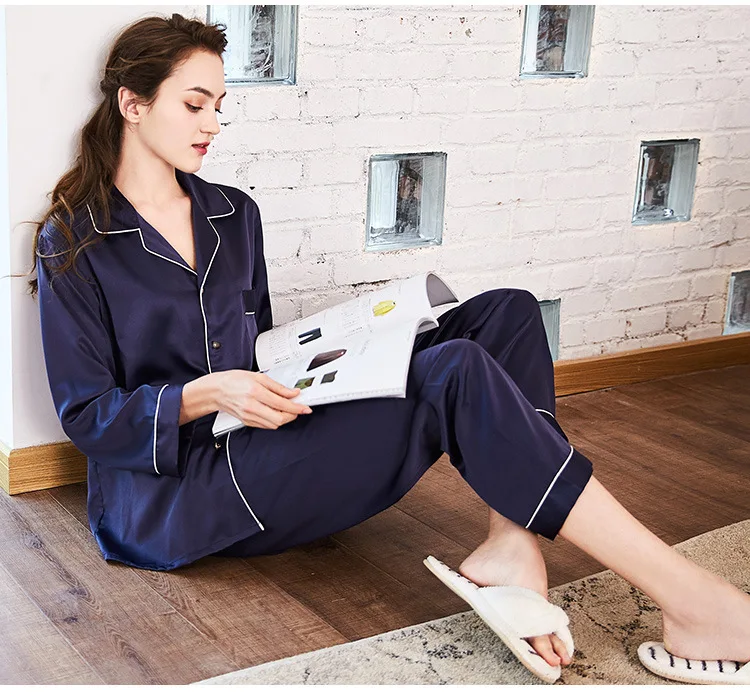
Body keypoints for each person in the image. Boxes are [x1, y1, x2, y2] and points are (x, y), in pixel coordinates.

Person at [28, 13, 749, 685]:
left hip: (262, 429)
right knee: (455, 371)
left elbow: (261, 344)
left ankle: (512, 539)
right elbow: (87, 416)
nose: (213, 123)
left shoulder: (233, 214)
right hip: (182, 493)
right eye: (194, 105)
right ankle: (690, 598)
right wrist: (208, 392)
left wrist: (347, 351)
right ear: (132, 104)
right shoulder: (74, 241)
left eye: (220, 105)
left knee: (508, 314)